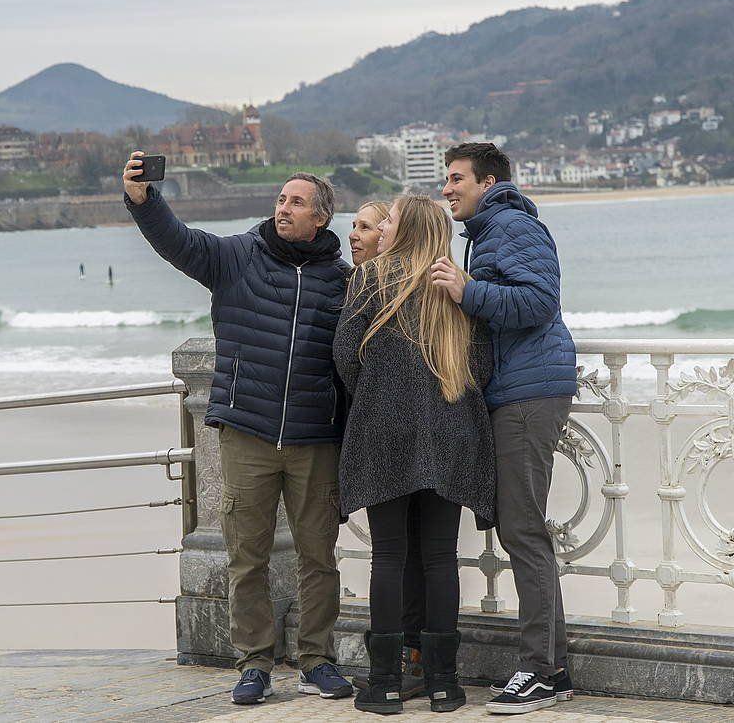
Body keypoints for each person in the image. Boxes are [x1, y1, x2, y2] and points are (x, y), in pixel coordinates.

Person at [122, 151, 354, 705]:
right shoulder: (236, 258)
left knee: (318, 555)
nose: (284, 208)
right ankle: (253, 664)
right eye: (280, 199)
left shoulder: (343, 280)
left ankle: (317, 660)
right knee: (245, 555)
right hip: (247, 431)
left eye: (296, 202)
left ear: (321, 217)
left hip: (313, 437)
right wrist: (143, 199)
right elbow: (177, 242)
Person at [431, 143, 578, 715]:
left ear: (488, 182)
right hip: (518, 389)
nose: (447, 189)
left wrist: (468, 292)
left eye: (456, 179)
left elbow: (541, 302)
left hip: (528, 392)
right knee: (523, 529)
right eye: (446, 180)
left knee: (522, 531)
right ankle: (555, 669)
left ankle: (538, 671)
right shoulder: (490, 230)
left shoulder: (512, 225)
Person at [335, 196, 495, 715]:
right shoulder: (456, 283)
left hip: (384, 434)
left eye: (391, 221)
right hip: (449, 438)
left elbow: (344, 354)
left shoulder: (370, 278)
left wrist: (380, 394)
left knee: (388, 557)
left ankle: (383, 685)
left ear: (403, 230)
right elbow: (482, 365)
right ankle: (445, 685)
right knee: (439, 558)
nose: (382, 229)